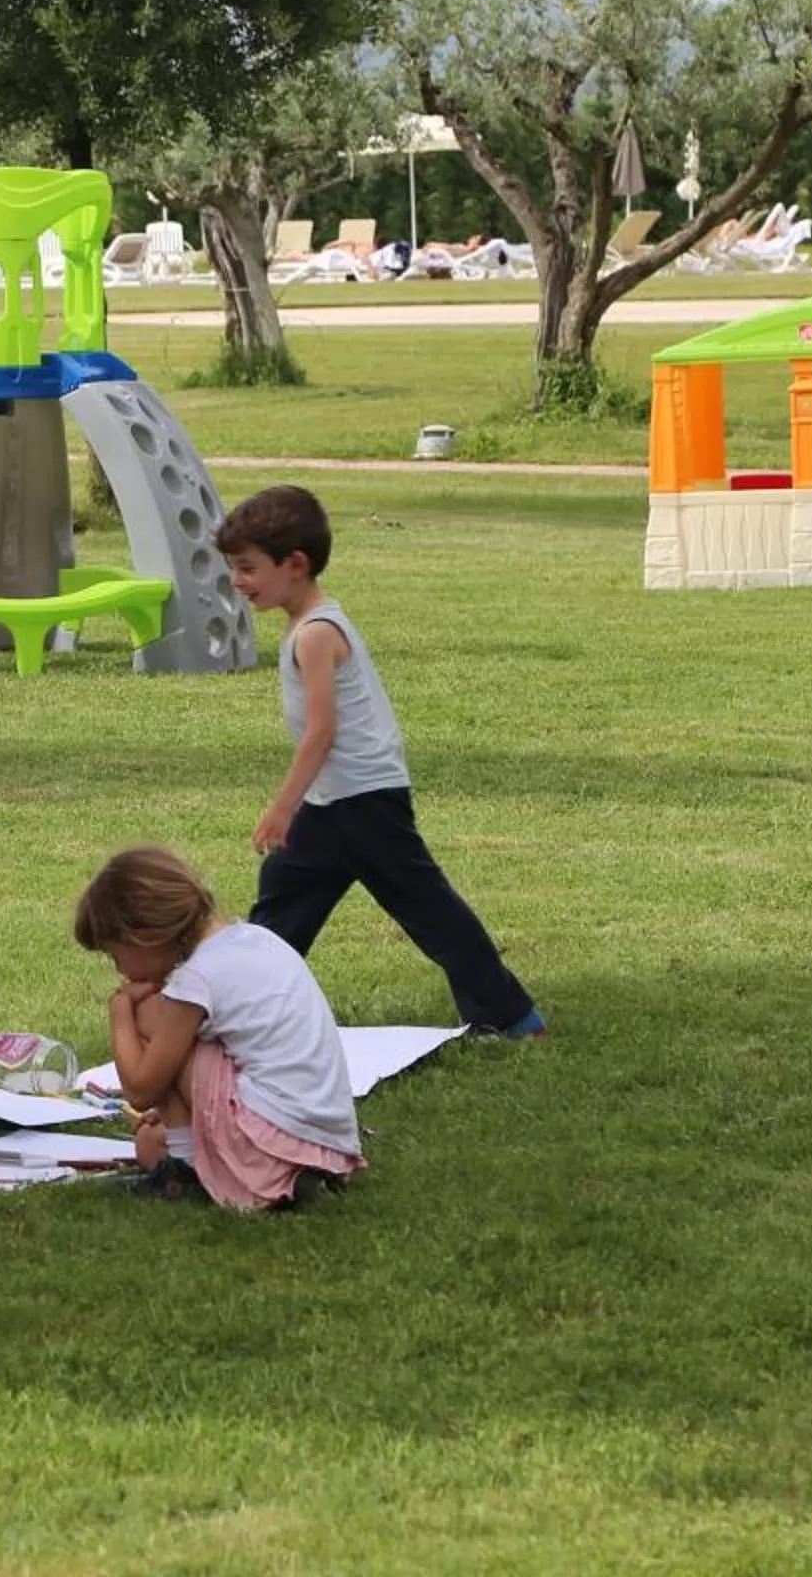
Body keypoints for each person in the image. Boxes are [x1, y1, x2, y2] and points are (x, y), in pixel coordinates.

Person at [216, 486, 547, 1037]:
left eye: (248, 568)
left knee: (429, 911)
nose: (238, 581)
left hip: (363, 803)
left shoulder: (318, 634)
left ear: (294, 564)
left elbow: (323, 731)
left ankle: (511, 1015)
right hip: (331, 804)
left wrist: (281, 807)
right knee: (281, 908)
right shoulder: (308, 625)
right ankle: (248, 1014)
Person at [76, 846, 362, 1210]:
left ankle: (185, 1173)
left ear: (143, 934)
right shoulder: (256, 939)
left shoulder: (197, 979)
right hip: (322, 1141)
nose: (122, 973)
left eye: (116, 955)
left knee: (150, 1012)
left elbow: (141, 1088)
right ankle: (284, 1176)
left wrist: (120, 1011)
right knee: (148, 1143)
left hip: (272, 1137)